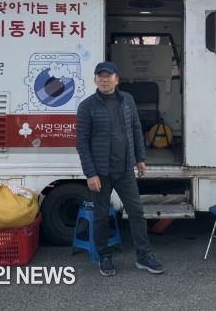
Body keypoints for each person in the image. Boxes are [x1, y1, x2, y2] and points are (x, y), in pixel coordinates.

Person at [76, 61, 164, 276]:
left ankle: (144, 256)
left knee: (137, 212)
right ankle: (104, 256)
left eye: (108, 76)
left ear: (117, 79)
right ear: (95, 80)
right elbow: (82, 143)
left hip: (125, 169)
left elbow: (135, 129)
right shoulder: (87, 106)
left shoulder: (127, 100)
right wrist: (90, 173)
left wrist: (140, 159)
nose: (104, 80)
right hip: (101, 172)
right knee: (100, 216)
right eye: (100, 76)